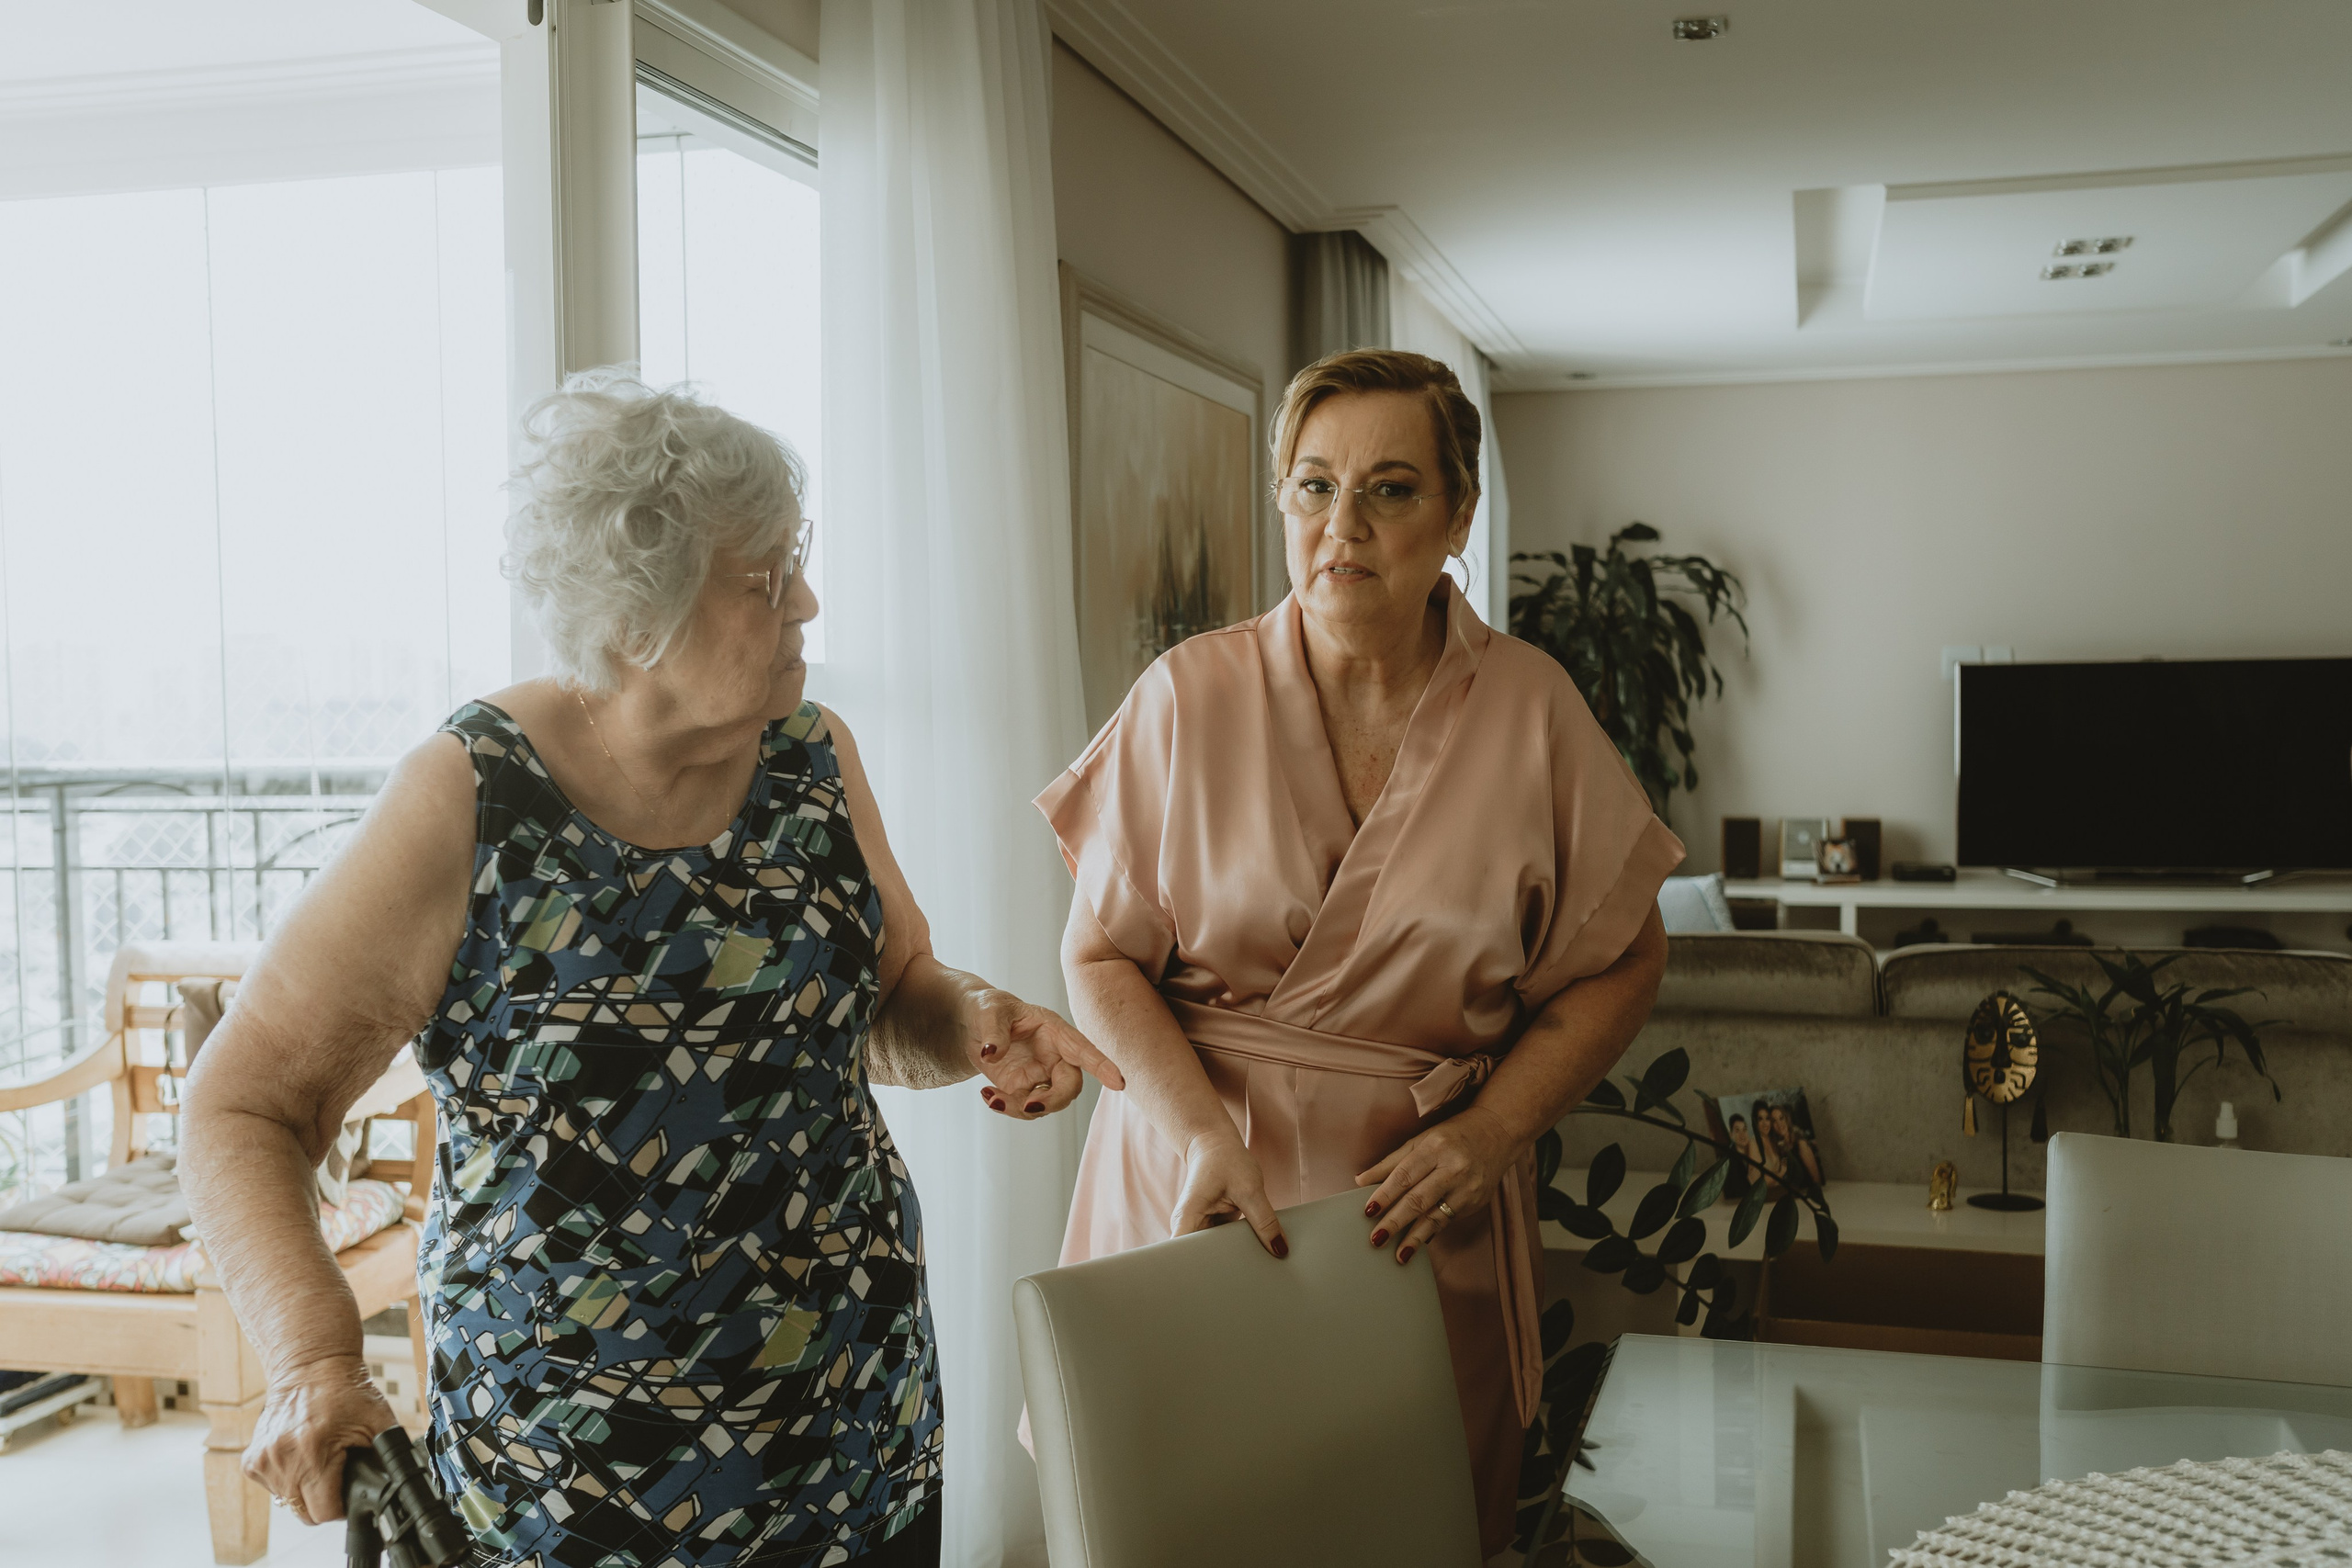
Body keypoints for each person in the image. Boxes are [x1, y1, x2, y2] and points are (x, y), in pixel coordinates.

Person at [180, 373, 1122, 1568]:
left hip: (853, 1446)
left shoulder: (812, 756)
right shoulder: (472, 795)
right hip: (571, 1488)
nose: (809, 602)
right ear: (636, 619)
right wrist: (314, 1360)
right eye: (767, 581)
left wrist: (978, 1018)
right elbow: (243, 1103)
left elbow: (888, 994)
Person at [1035, 349, 1683, 1555]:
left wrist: (1490, 1136)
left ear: (1458, 517)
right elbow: (1100, 959)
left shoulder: (1534, 712)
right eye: (1314, 487)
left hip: (1413, 1218)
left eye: (1390, 489)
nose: (1345, 525)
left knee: (1395, 1530)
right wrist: (1204, 1135)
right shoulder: (1187, 696)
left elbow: (1625, 959)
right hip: (1191, 1193)